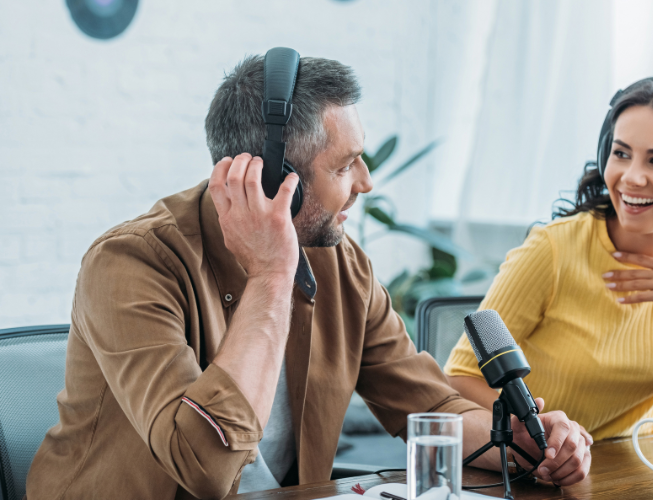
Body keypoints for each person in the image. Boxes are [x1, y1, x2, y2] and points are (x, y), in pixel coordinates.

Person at [25, 53, 590, 499]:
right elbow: (203, 466)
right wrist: (272, 274)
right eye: (344, 166)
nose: (365, 183)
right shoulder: (132, 263)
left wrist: (517, 442)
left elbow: (431, 409)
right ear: (273, 179)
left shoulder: (339, 262)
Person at [445, 78, 653, 443]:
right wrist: (545, 432)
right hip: (541, 464)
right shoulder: (553, 249)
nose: (631, 177)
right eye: (621, 154)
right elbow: (460, 380)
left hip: (631, 472)